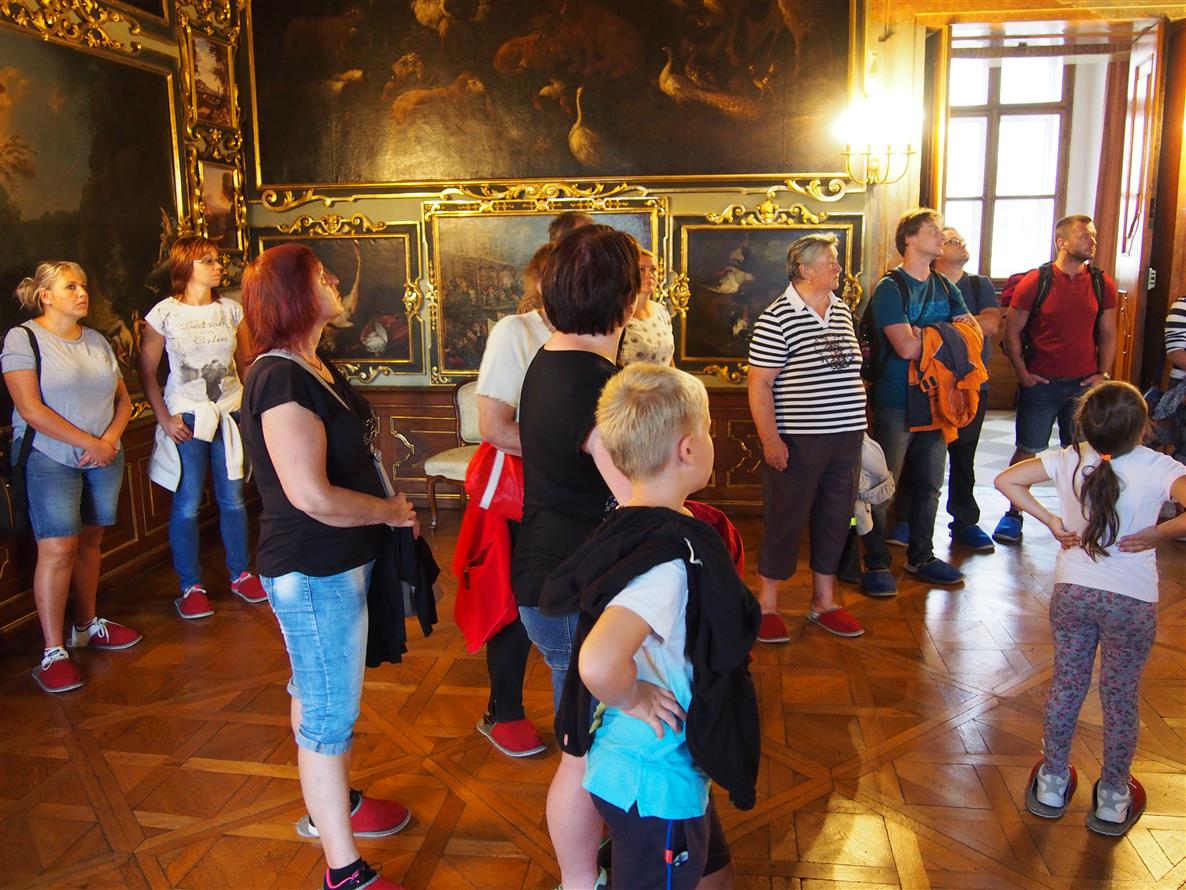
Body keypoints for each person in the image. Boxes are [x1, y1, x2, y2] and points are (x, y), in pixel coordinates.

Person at [239, 244, 418, 890]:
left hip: (337, 562)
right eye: (322, 276)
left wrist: (385, 513)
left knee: (312, 691)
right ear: (294, 295)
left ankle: (333, 804)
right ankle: (344, 871)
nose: (335, 282)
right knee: (327, 715)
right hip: (312, 569)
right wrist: (388, 511)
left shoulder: (312, 364)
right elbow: (310, 496)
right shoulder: (278, 378)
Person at [554, 363, 759, 888]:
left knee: (712, 869)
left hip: (662, 764)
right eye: (707, 430)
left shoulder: (635, 528)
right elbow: (600, 660)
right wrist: (635, 697)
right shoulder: (666, 563)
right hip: (654, 778)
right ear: (688, 449)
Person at [994, 381, 1186, 836]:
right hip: (1132, 600)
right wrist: (1158, 534)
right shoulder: (1159, 466)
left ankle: (1052, 782)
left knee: (1067, 686)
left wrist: (1052, 521)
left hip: (1074, 593)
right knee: (1119, 696)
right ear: (1143, 427)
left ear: (1084, 423)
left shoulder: (1070, 458)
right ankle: (1114, 797)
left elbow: (1006, 480)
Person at [514, 224, 638, 890]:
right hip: (570, 586)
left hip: (553, 575)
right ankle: (577, 879)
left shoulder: (551, 357)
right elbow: (637, 503)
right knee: (581, 750)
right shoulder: (594, 383)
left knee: (584, 739)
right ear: (627, 299)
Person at [2, 261, 139, 693]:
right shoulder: (23, 339)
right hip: (50, 458)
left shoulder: (96, 339)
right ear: (45, 296)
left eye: (83, 285)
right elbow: (30, 409)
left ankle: (86, 624)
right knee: (58, 547)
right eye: (70, 286)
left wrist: (109, 441)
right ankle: (52, 650)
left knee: (91, 541)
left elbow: (123, 399)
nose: (82, 293)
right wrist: (89, 442)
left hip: (104, 456)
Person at [747, 234, 866, 641]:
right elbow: (760, 385)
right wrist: (770, 440)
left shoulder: (842, 310)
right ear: (804, 270)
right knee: (785, 520)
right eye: (831, 262)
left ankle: (824, 602)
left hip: (846, 438)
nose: (838, 268)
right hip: (799, 440)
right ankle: (767, 605)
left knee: (836, 518)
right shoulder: (776, 318)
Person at [138, 236, 264, 619]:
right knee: (189, 501)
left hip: (230, 412)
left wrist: (252, 411)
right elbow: (146, 371)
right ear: (185, 267)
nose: (217, 266)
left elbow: (245, 363)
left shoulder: (232, 311)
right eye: (207, 260)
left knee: (234, 498)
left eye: (217, 259)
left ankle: (241, 574)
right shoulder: (164, 314)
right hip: (187, 417)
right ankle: (191, 585)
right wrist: (165, 418)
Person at [860, 209, 975, 595]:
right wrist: (945, 334)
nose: (941, 236)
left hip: (939, 400)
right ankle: (876, 561)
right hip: (897, 399)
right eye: (932, 230)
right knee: (883, 484)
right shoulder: (890, 288)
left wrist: (924, 332)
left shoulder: (944, 285)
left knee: (930, 484)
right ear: (909, 239)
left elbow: (972, 334)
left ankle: (921, 556)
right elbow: (905, 348)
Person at [468, 242, 554, 757]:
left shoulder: (603, 330)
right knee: (515, 599)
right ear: (543, 281)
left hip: (579, 488)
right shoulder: (515, 331)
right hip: (520, 490)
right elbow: (495, 427)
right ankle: (505, 709)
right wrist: (574, 450)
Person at [995, 214, 1118, 545]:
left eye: (1093, 235)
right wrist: (1023, 374)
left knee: (1084, 452)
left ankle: (1084, 516)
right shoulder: (1037, 281)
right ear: (1062, 242)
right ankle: (1014, 513)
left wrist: (1103, 374)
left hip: (1084, 385)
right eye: (1084, 236)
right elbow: (1012, 332)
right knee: (1028, 449)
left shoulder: (1101, 283)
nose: (1092, 241)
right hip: (1042, 384)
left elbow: (1108, 332)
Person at [888, 227, 1000, 552]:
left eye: (960, 240)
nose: (958, 243)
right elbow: (906, 338)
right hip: (926, 385)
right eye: (951, 240)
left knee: (964, 456)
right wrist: (958, 329)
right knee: (917, 459)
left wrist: (934, 332)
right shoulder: (911, 285)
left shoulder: (977, 284)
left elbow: (988, 325)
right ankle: (905, 520)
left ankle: (964, 521)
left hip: (967, 384)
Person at [618, 245, 675, 368]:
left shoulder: (662, 311)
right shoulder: (619, 314)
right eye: (641, 269)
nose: (649, 275)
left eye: (653, 269)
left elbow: (670, 360)